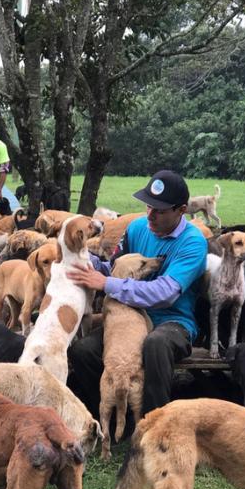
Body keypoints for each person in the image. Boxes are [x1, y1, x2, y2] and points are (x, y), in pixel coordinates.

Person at [66, 169, 208, 419]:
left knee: (156, 344)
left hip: (172, 321)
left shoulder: (193, 243)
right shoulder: (138, 227)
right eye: (148, 206)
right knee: (83, 351)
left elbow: (165, 293)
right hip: (129, 318)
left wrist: (106, 283)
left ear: (181, 210)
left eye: (160, 210)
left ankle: (154, 424)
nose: (150, 215)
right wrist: (82, 261)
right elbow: (114, 267)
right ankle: (110, 418)